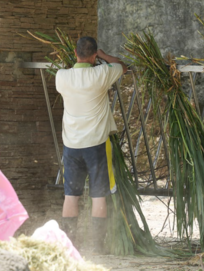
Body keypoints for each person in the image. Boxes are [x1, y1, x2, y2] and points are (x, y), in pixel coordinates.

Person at [55, 36, 127, 253]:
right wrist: (104, 56)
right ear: (94, 55)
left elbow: (73, 69)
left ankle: (70, 246)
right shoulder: (102, 73)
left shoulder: (61, 77)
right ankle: (97, 248)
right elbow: (122, 66)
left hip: (71, 145)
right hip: (96, 144)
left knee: (71, 195)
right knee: (98, 195)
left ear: (75, 53)